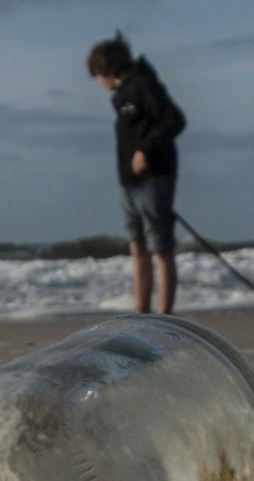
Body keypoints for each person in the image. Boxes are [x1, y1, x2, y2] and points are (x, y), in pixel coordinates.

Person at [87, 32, 186, 314]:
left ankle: (165, 315)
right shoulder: (120, 97)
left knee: (160, 248)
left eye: (97, 74)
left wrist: (145, 150)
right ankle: (141, 311)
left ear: (106, 68)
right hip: (129, 183)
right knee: (137, 247)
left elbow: (174, 120)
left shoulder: (143, 86)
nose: (97, 81)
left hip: (154, 179)